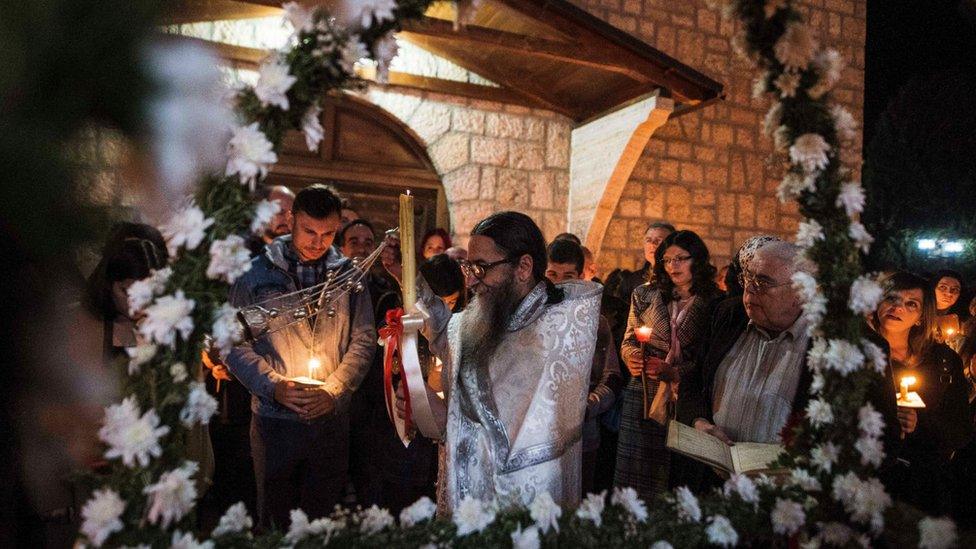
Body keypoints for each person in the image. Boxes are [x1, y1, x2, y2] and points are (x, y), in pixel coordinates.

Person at [400, 211, 602, 511]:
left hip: (523, 499)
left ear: (523, 267)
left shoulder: (553, 329)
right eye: (469, 266)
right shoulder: (489, 313)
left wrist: (447, 416)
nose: (471, 281)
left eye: (481, 267)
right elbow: (451, 338)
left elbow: (513, 427)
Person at [684, 244, 899, 486]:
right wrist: (698, 421)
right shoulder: (729, 315)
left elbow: (879, 440)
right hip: (713, 483)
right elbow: (693, 381)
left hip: (792, 501)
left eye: (763, 283)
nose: (749, 293)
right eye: (747, 280)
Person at [227, 184, 375, 528]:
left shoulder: (348, 276)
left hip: (329, 421)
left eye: (328, 233)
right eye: (309, 230)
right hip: (273, 419)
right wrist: (273, 386)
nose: (317, 241)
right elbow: (232, 342)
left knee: (320, 521)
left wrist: (335, 390)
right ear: (292, 219)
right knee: (276, 520)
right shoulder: (255, 273)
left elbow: (364, 339)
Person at [614, 230, 723, 500]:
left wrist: (675, 372)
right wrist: (631, 358)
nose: (673, 266)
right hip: (644, 394)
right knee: (637, 477)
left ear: (696, 260)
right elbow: (628, 339)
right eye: (667, 260)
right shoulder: (645, 294)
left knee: (676, 478)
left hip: (686, 399)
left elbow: (708, 358)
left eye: (680, 259)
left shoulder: (714, 303)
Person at [869, 271, 971, 516]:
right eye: (891, 299)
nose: (898, 308)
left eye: (910, 304)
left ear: (919, 317)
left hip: (920, 487)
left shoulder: (943, 361)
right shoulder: (856, 355)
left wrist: (919, 422)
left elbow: (960, 429)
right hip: (867, 479)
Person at [545, 239, 621, 496]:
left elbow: (611, 376)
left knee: (577, 499)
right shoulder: (530, 317)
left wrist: (588, 407)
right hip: (539, 430)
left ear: (581, 276)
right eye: (552, 274)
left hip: (583, 431)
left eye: (568, 276)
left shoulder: (595, 322)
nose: (560, 283)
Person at [84, 222, 169, 362]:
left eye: (146, 295)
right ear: (109, 284)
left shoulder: (166, 322)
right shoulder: (88, 327)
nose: (136, 304)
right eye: (126, 292)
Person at [605, 221, 675, 306]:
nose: (652, 244)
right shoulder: (632, 280)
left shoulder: (678, 279)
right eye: (648, 240)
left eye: (659, 240)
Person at [247, 185, 295, 256]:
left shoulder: (301, 255)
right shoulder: (244, 252)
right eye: (281, 212)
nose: (288, 218)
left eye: (292, 214)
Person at [932, 269, 966, 350]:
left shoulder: (962, 319)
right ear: (933, 288)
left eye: (955, 289)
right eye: (943, 287)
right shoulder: (918, 313)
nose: (949, 293)